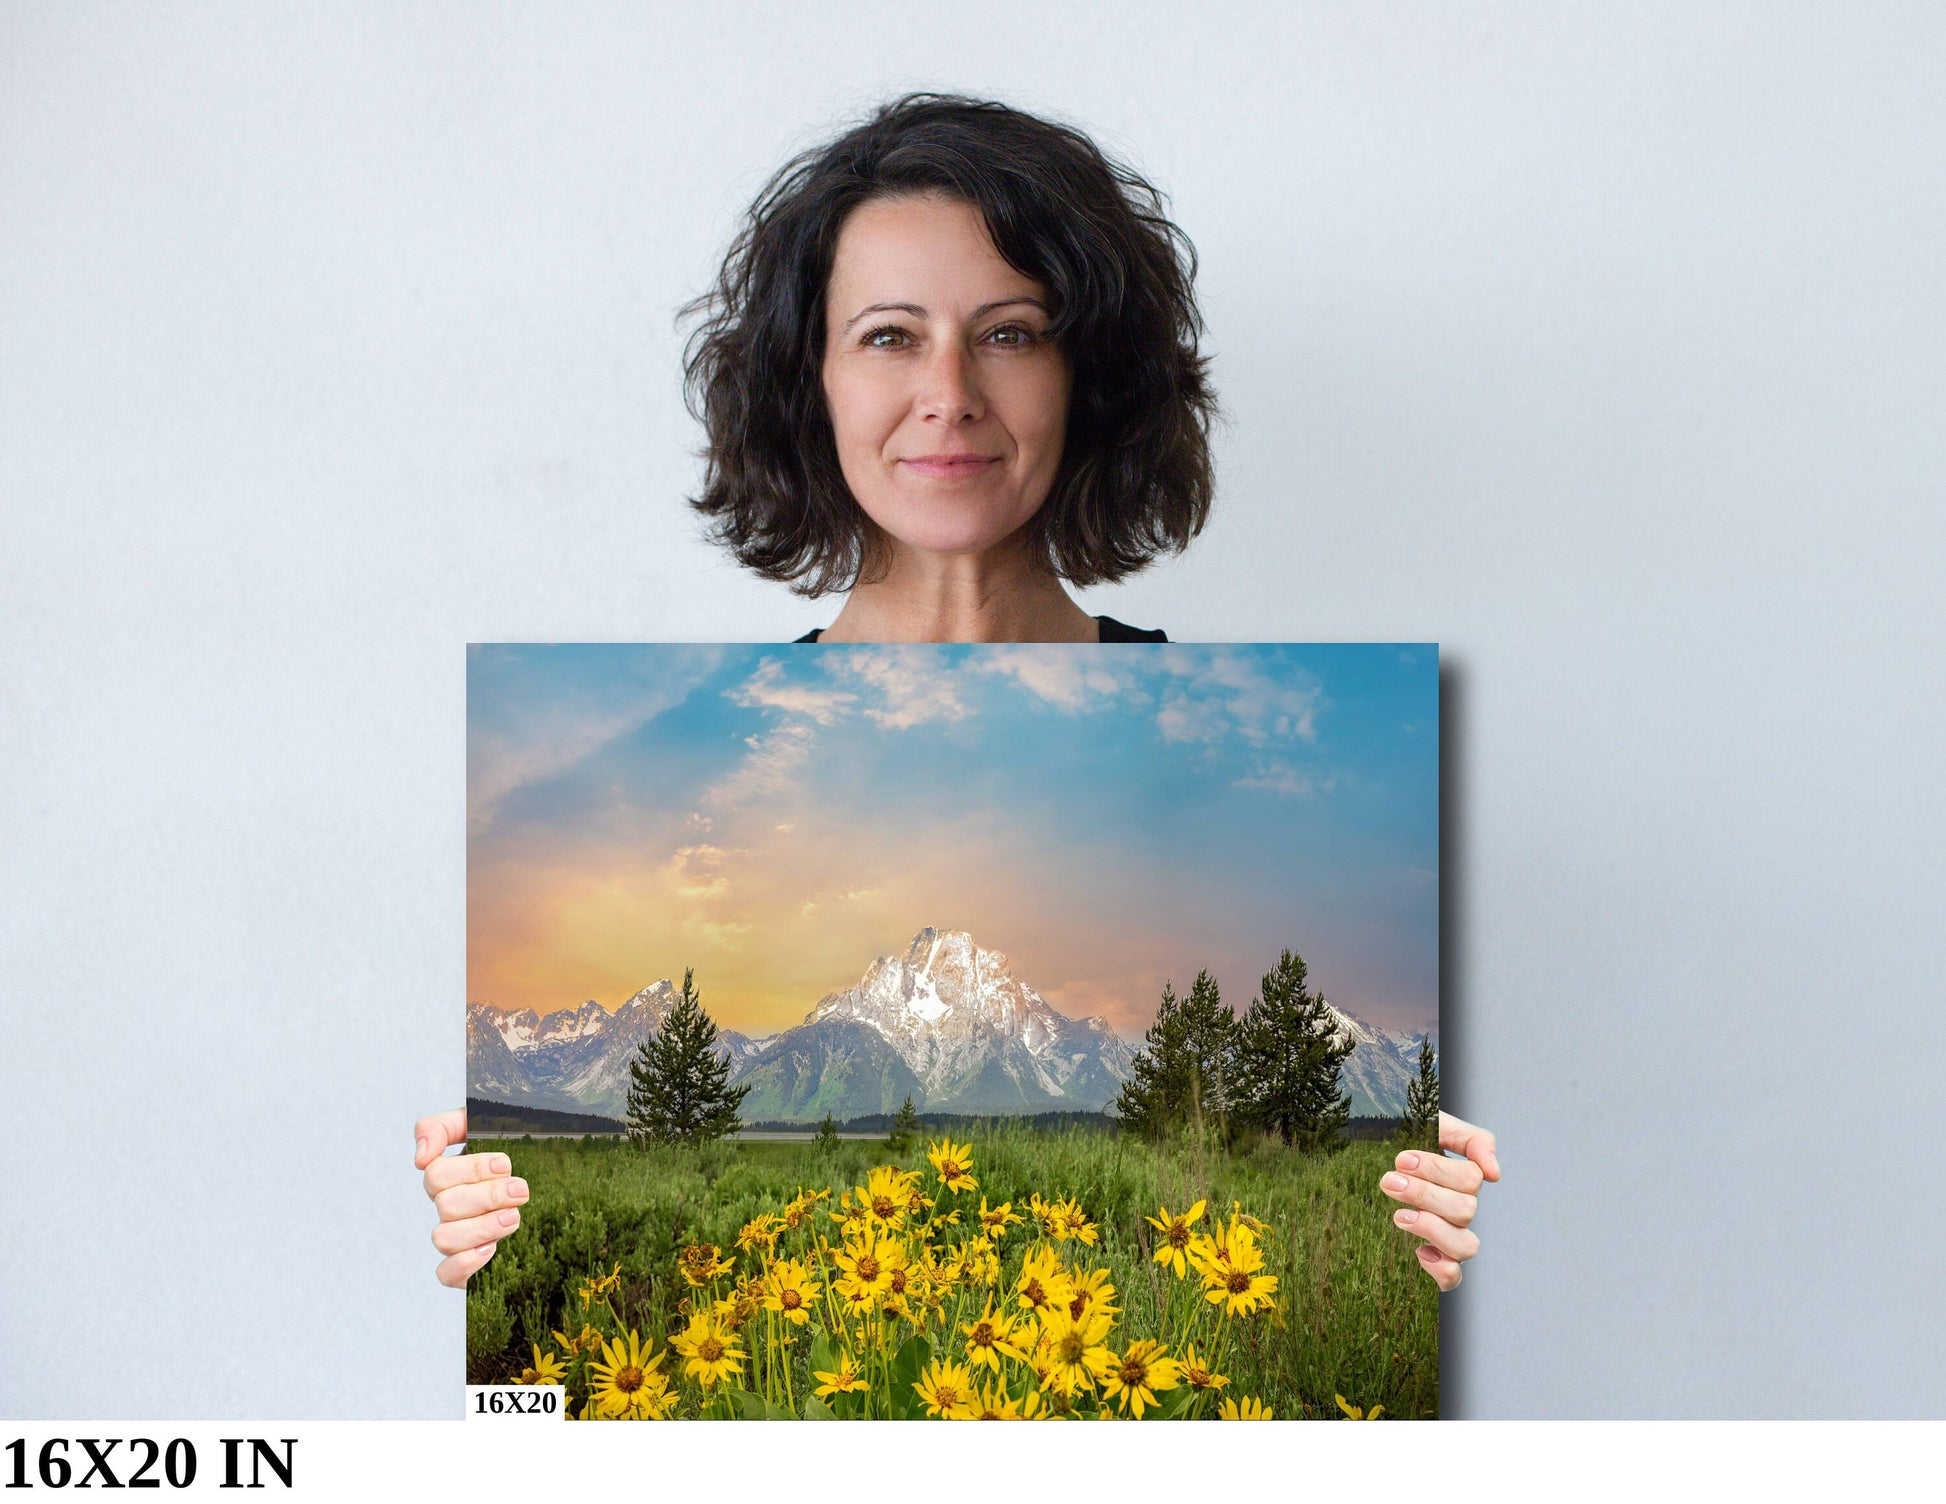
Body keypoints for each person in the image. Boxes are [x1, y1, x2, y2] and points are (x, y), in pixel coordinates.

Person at [418, 92, 1499, 1296]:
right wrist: (491, 1252)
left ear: (1086, 379)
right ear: (808, 381)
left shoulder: (1287, 763)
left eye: (1009, 332)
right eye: (888, 335)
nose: (949, 392)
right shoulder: (647, 762)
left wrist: (1431, 1243)